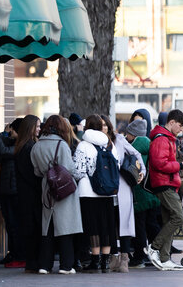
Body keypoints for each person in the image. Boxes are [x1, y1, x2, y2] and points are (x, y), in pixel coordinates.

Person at [30, 115, 83, 275]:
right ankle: (66, 265)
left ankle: (44, 265)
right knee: (65, 226)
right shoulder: (62, 145)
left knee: (48, 227)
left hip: (47, 187)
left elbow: (37, 171)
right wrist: (80, 174)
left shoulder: (37, 146)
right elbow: (69, 168)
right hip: (64, 188)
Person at [146, 109, 183, 271]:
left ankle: (165, 258)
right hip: (164, 183)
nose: (181, 129)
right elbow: (159, 163)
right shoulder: (162, 139)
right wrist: (180, 165)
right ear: (171, 122)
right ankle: (154, 247)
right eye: (180, 126)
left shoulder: (167, 138)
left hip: (167, 183)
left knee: (169, 219)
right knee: (178, 217)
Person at [73, 115, 118, 273]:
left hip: (88, 191)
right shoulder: (109, 144)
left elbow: (77, 170)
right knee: (106, 226)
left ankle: (95, 259)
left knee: (93, 226)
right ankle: (106, 262)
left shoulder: (83, 145)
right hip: (107, 191)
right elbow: (116, 165)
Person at [103, 115, 144, 273]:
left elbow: (137, 155)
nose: (104, 128)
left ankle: (125, 257)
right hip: (105, 189)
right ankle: (113, 257)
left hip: (122, 187)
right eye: (100, 126)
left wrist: (141, 172)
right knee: (110, 223)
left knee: (124, 222)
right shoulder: (95, 143)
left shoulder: (119, 139)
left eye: (105, 125)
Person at [125, 118, 160, 269]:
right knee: (152, 225)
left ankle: (139, 256)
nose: (126, 137)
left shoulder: (132, 149)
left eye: (128, 134)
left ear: (134, 135)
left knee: (139, 226)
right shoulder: (151, 146)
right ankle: (157, 254)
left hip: (139, 193)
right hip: (152, 192)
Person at [9, 115, 41, 270]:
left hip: (27, 194)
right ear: (30, 128)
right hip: (30, 195)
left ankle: (32, 262)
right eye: (37, 126)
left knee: (30, 229)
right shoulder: (27, 147)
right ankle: (32, 262)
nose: (39, 129)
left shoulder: (26, 145)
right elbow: (30, 173)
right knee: (32, 229)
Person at [0, 118, 22, 264]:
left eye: (12, 130)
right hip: (8, 190)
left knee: (14, 224)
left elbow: (2, 150)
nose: (11, 132)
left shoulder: (21, 146)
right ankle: (13, 253)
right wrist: (3, 133)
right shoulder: (13, 142)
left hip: (13, 191)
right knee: (10, 224)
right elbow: (4, 143)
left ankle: (17, 254)